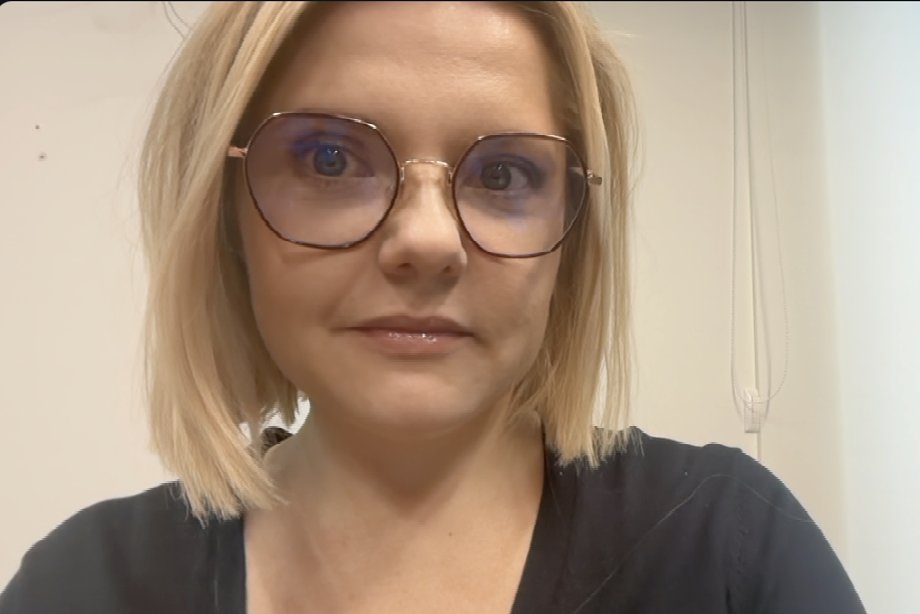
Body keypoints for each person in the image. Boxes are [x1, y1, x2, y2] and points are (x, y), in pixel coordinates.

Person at [0, 2, 865, 613]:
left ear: (571, 242)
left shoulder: (725, 555)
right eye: (330, 159)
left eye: (504, 173)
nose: (427, 240)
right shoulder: (82, 587)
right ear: (226, 217)